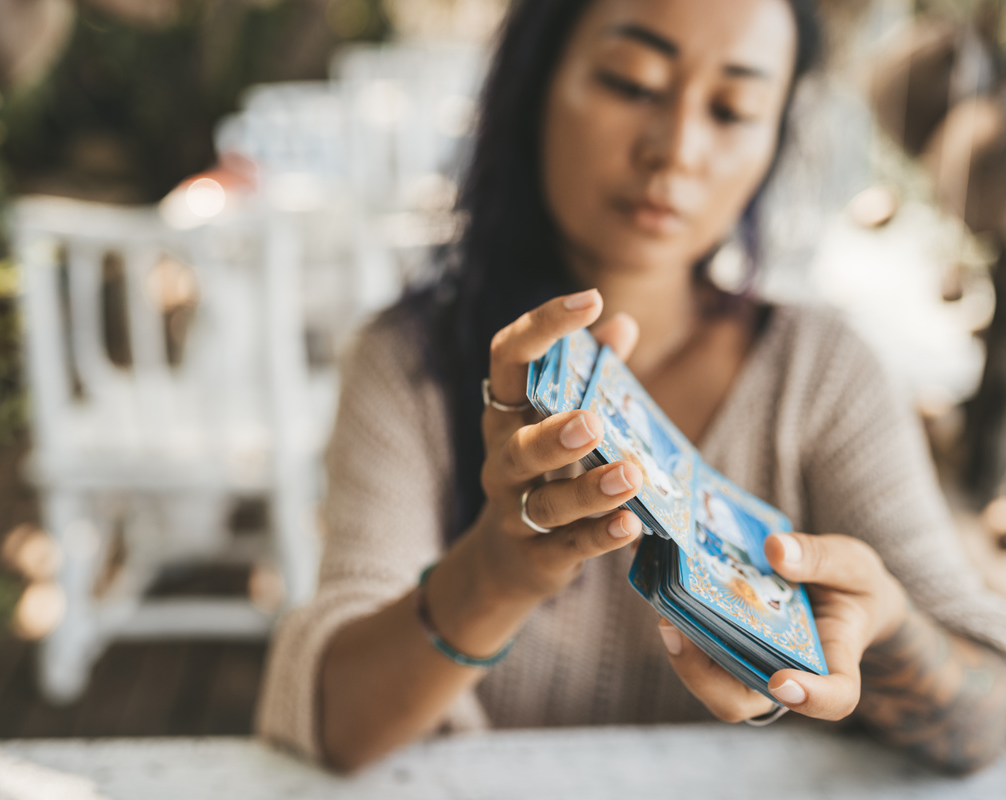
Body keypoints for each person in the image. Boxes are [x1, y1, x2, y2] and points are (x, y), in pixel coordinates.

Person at [257, 0, 1006, 774]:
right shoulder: (408, 365)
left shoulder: (821, 375)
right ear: (535, 84)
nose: (676, 149)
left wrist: (887, 629)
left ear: (773, 139)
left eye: (733, 108)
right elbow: (334, 723)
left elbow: (992, 723)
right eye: (632, 82)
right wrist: (496, 572)